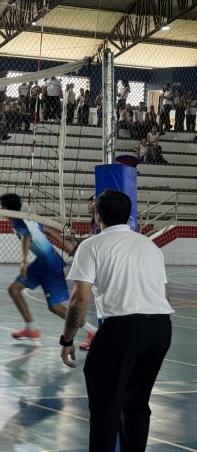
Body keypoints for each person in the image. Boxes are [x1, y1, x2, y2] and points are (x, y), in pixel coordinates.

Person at [60, 189, 173, 452]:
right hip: (160, 329)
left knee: (104, 407)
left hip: (122, 329)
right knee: (136, 404)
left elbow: (79, 300)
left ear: (98, 216)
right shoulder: (150, 246)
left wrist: (67, 339)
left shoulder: (91, 246)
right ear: (129, 215)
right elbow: (164, 295)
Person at [0, 193, 96, 349]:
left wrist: (23, 261)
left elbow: (26, 237)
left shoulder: (18, 222)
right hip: (42, 263)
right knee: (14, 289)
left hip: (50, 265)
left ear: (4, 208)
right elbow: (49, 230)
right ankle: (31, 328)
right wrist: (67, 244)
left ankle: (92, 331)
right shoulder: (27, 218)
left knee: (55, 307)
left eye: (0, 206)